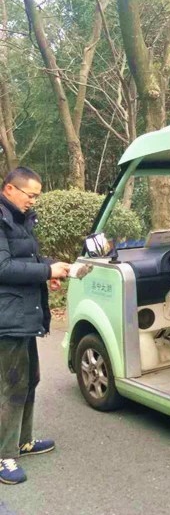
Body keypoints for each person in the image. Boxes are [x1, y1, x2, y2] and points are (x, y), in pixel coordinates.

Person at [0, 167, 71, 485]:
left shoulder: (22, 219)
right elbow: (3, 267)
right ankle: (4, 455)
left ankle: (23, 441)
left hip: (24, 314)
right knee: (11, 385)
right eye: (30, 195)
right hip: (7, 318)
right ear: (9, 189)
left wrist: (52, 269)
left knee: (30, 379)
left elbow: (28, 259)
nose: (33, 201)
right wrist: (45, 272)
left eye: (37, 196)